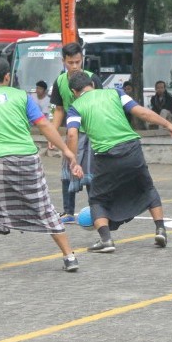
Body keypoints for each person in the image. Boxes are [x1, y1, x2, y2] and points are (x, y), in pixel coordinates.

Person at [0, 57, 80, 275]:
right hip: (28, 159)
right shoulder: (22, 96)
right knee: (44, 208)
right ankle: (70, 257)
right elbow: (43, 125)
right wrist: (66, 151)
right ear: (7, 77)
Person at [66, 71, 172, 253]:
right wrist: (167, 124)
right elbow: (141, 112)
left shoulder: (75, 106)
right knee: (147, 187)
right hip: (132, 149)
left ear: (73, 91)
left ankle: (106, 240)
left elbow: (72, 133)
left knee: (97, 198)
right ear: (93, 85)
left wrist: (74, 161)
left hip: (106, 156)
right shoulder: (115, 93)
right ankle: (160, 230)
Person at [50, 42, 101, 224]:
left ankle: (97, 212)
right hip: (72, 133)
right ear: (63, 61)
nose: (74, 66)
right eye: (70, 62)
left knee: (90, 174)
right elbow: (59, 110)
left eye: (77, 62)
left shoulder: (92, 79)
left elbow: (101, 105)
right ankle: (68, 212)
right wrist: (53, 133)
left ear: (82, 60)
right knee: (67, 170)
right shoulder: (60, 81)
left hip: (91, 133)